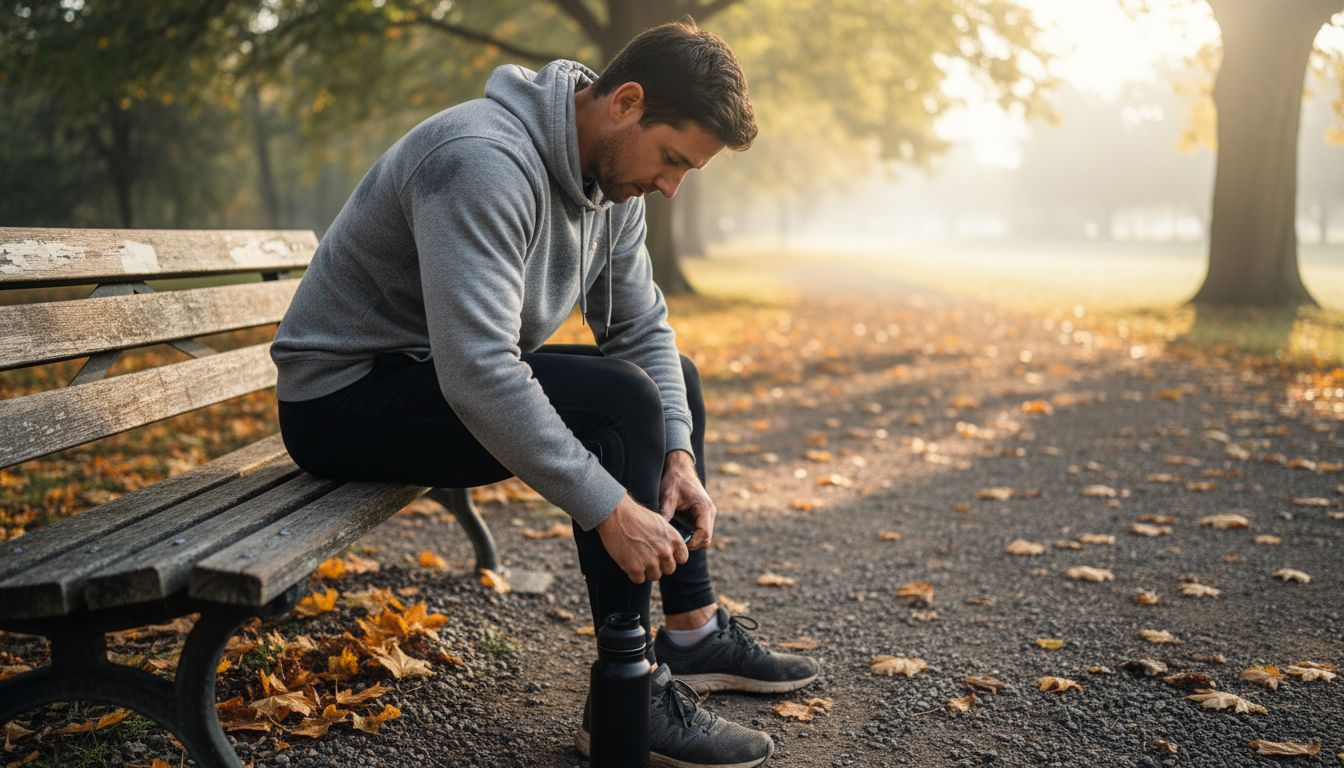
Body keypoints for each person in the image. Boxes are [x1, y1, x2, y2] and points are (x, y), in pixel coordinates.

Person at [271, 20, 818, 767]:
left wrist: (680, 456)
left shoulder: (611, 183)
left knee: (672, 383)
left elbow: (640, 327)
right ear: (626, 102)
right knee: (619, 402)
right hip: (342, 402)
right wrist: (609, 508)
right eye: (672, 159)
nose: (670, 186)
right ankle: (628, 694)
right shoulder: (481, 160)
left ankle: (692, 632)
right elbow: (478, 372)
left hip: (426, 379)